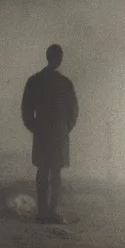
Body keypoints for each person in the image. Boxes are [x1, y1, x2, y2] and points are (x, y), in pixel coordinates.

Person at [21, 44, 79, 224]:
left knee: (46, 172)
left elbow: (27, 110)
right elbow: (73, 112)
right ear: (58, 59)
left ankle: (45, 212)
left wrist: (36, 127)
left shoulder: (35, 81)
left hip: (47, 133)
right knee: (52, 173)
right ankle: (48, 211)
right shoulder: (64, 83)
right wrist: (64, 128)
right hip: (55, 133)